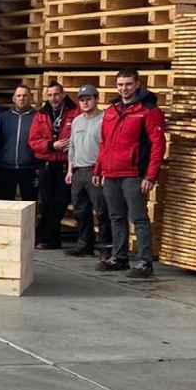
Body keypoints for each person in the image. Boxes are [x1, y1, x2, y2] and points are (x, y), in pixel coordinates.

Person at [94, 68, 166, 280]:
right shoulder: (112, 110)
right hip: (111, 172)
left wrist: (150, 176)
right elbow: (104, 142)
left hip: (133, 174)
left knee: (139, 218)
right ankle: (119, 258)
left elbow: (158, 145)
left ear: (137, 84)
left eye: (128, 84)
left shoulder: (148, 110)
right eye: (120, 85)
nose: (124, 89)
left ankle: (144, 262)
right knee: (116, 217)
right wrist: (99, 168)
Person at [29, 80, 78, 249]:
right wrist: (51, 145)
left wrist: (73, 144)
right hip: (47, 163)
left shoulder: (75, 112)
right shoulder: (41, 115)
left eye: (56, 94)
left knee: (60, 202)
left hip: (66, 164)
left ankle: (51, 238)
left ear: (63, 94)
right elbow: (33, 141)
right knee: (45, 202)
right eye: (49, 95)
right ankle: (46, 238)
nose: (53, 98)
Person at [65, 85, 111, 260]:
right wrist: (70, 170)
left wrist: (103, 171)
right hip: (78, 171)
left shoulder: (104, 120)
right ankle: (85, 244)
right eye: (82, 100)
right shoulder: (77, 121)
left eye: (89, 99)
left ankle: (106, 247)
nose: (85, 102)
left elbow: (107, 147)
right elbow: (72, 147)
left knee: (102, 211)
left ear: (96, 99)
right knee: (80, 210)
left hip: (95, 171)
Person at [0, 84, 38, 202]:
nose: (21, 98)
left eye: (25, 95)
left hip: (30, 169)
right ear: (14, 98)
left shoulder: (38, 117)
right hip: (6, 168)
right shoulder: (4, 118)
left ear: (30, 97)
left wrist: (39, 165)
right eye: (18, 95)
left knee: (30, 203)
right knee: (5, 203)